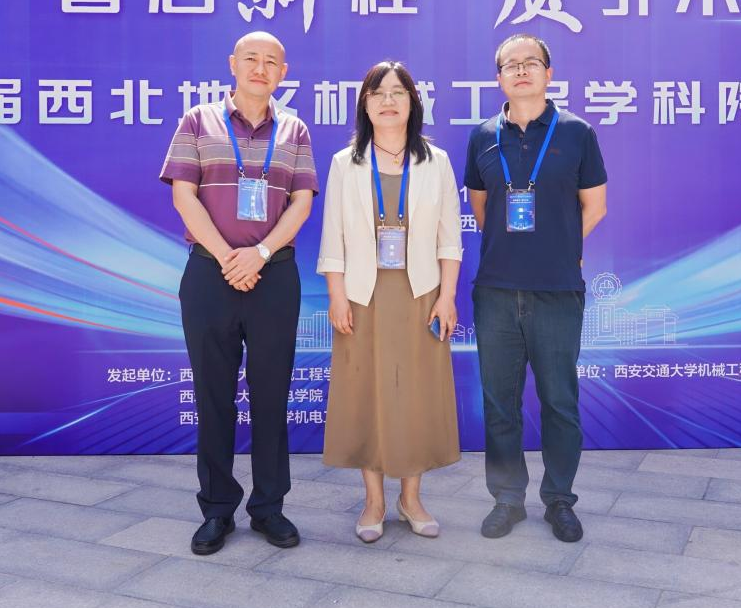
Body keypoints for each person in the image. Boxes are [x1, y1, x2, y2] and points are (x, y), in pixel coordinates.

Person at [160, 31, 318, 554]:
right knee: (213, 397)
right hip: (211, 275)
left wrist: (260, 254)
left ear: (283, 72)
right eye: (251, 58)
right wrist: (230, 257)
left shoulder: (294, 129)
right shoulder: (197, 121)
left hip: (275, 276)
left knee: (272, 396)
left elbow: (300, 203)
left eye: (271, 61)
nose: (260, 67)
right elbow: (184, 196)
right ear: (233, 63)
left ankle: (269, 507)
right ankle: (217, 508)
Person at [463, 33, 608, 542]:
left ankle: (559, 500)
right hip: (497, 291)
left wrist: (560, 246)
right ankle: (507, 500)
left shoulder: (577, 133)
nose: (521, 70)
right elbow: (481, 208)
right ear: (499, 77)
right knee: (500, 404)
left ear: (549, 72)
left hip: (557, 291)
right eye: (511, 64)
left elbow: (595, 206)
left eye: (531, 63)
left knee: (559, 402)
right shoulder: (483, 137)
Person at [318, 60, 463, 542]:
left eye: (398, 92)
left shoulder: (436, 162)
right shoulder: (345, 163)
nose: (388, 100)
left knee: (416, 395)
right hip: (363, 294)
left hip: (420, 294)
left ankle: (411, 498)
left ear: (413, 102)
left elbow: (449, 239)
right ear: (365, 104)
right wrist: (337, 296)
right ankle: (374, 501)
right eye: (377, 92)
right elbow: (333, 238)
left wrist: (447, 296)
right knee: (367, 394)